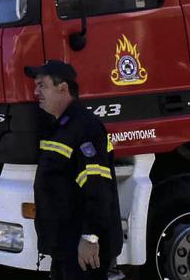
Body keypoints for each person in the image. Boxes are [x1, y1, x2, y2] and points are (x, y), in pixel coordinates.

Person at [25, 60, 123, 280]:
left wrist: (90, 238)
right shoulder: (61, 127)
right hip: (65, 246)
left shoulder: (85, 127)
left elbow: (96, 186)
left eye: (42, 85)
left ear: (63, 88)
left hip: (83, 250)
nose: (36, 91)